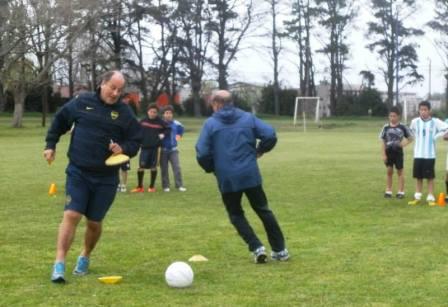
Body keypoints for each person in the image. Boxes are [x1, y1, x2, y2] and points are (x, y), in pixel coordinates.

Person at [43, 71, 142, 283]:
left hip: (106, 177)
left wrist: (123, 147)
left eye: (119, 90)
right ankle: (59, 264)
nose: (115, 93)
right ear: (102, 84)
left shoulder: (124, 112)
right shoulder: (82, 101)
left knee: (94, 222)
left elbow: (136, 139)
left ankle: (85, 256)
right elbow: (60, 121)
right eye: (112, 88)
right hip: (79, 171)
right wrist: (50, 144)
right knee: (72, 215)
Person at [195, 90, 289, 263]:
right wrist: (260, 150)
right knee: (263, 209)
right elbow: (269, 135)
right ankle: (280, 250)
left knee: (236, 213)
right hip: (250, 173)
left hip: (227, 177)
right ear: (231, 102)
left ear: (216, 104)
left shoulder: (210, 124)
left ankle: (256, 247)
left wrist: (212, 168)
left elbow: (202, 153)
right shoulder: (248, 118)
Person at [408, 101, 448, 206]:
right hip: (418, 154)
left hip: (430, 155)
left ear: (429, 111)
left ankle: (430, 197)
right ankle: (417, 197)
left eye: (425, 110)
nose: (423, 112)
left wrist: (437, 136)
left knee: (430, 177)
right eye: (421, 110)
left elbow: (446, 128)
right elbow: (410, 132)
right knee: (419, 176)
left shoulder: (435, 122)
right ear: (419, 110)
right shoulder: (415, 122)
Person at [131, 103, 170, 193]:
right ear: (148, 112)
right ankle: (140, 187)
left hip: (155, 149)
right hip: (144, 148)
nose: (153, 113)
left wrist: (163, 134)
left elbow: (168, 129)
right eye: (151, 112)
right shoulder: (143, 121)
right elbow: (136, 131)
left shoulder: (160, 122)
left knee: (153, 167)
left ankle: (151, 187)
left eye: (155, 112)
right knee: (141, 167)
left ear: (157, 113)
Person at [379, 106, 413, 199]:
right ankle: (388, 190)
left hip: (398, 153)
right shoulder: (386, 127)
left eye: (394, 116)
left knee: (400, 171)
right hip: (388, 152)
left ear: (398, 116)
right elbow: (382, 141)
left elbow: (411, 138)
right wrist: (383, 154)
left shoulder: (402, 127)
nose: (392, 118)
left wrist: (403, 144)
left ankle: (401, 191)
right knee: (389, 171)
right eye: (390, 116)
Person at [160, 105, 186, 192]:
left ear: (172, 114)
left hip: (173, 150)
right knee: (164, 169)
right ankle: (165, 186)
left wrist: (178, 137)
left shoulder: (176, 124)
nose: (168, 115)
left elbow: (181, 129)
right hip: (163, 150)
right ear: (163, 114)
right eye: (166, 113)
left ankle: (179, 185)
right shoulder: (160, 124)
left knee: (177, 168)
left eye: (170, 113)